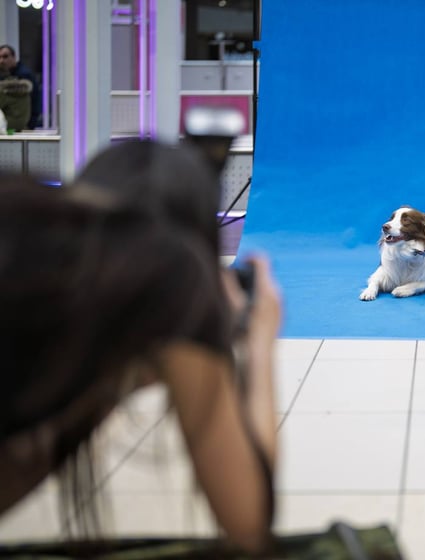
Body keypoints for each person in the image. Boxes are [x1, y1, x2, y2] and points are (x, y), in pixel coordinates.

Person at [0, 141, 283, 552]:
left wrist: (122, 368)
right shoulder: (172, 270)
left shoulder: (35, 236)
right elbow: (248, 522)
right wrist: (259, 342)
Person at [0, 44, 40, 129]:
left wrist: (30, 124)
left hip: (22, 124)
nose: (2, 61)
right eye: (0, 57)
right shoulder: (6, 75)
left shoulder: (24, 75)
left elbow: (34, 100)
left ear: (14, 57)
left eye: (5, 57)